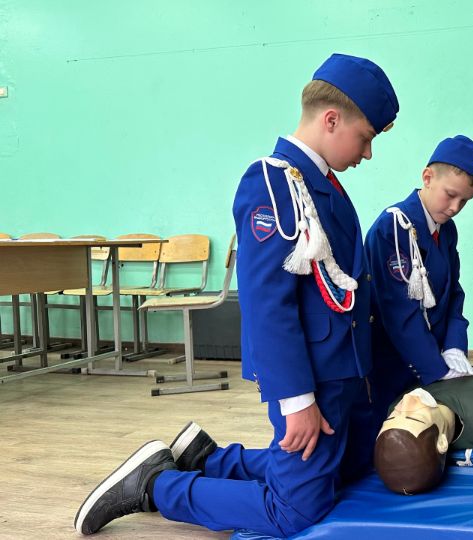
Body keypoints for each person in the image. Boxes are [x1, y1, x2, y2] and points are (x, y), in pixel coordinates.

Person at [74, 53, 400, 538]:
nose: (367, 153)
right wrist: (295, 400)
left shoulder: (322, 182)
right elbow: (268, 304)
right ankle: (155, 484)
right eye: (366, 138)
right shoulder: (274, 182)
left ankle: (208, 458)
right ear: (331, 120)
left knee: (344, 470)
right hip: (311, 376)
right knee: (295, 513)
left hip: (342, 372)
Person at [364, 135, 473, 427]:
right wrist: (436, 371)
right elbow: (399, 313)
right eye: (450, 195)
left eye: (465, 201)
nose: (455, 207)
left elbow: (454, 293)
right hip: (395, 366)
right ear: (427, 177)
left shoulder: (446, 229)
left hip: (433, 358)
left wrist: (455, 345)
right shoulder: (394, 227)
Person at [374, 368, 473, 495]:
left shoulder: (395, 405)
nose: (407, 399)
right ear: (441, 442)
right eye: (414, 417)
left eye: (393, 416)